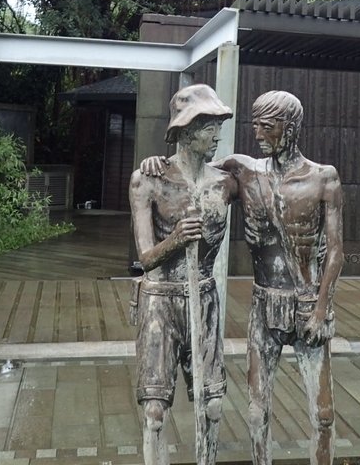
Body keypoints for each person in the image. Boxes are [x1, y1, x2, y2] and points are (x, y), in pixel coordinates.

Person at [142, 90, 344, 465]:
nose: (258, 134)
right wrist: (156, 162)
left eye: (267, 127)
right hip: (263, 303)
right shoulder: (244, 171)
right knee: (255, 412)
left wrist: (320, 310)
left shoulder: (323, 178)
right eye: (256, 126)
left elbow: (336, 252)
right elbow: (192, 170)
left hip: (306, 304)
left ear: (291, 127)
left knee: (324, 415)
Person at [130, 84, 238, 465]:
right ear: (187, 130)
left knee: (211, 406)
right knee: (155, 414)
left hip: (203, 299)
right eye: (210, 127)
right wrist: (176, 239)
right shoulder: (149, 180)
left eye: (218, 125)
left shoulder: (225, 181)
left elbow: (269, 172)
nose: (217, 135)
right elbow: (144, 258)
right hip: (160, 301)